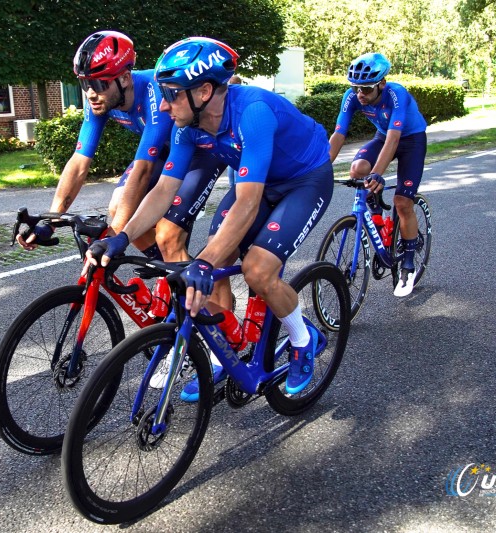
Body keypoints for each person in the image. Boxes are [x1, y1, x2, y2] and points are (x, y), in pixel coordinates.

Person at [86, 37, 334, 398]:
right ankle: (226, 350)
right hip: (258, 182)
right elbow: (162, 191)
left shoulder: (253, 112)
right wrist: (121, 236)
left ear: (203, 91)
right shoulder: (187, 128)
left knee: (257, 270)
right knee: (218, 261)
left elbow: (247, 204)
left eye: (171, 93)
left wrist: (202, 261)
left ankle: (302, 337)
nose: (165, 104)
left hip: (304, 180)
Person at [18, 31, 224, 264]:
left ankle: (197, 285)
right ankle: (170, 269)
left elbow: (143, 170)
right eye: (85, 83)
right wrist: (51, 221)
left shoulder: (154, 94)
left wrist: (114, 237)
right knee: (118, 210)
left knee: (168, 235)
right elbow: (78, 164)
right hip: (168, 151)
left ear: (125, 78)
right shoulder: (100, 100)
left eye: (98, 83)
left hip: (201, 153)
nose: (91, 93)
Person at [328, 52, 428, 298]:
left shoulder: (396, 94)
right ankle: (376, 214)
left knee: (402, 202)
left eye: (367, 89)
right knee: (357, 169)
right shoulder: (352, 97)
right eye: (355, 88)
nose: (360, 94)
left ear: (382, 84)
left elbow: (395, 139)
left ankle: (407, 262)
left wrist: (378, 174)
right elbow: (338, 135)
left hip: (411, 140)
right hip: (383, 137)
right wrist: (320, 170)